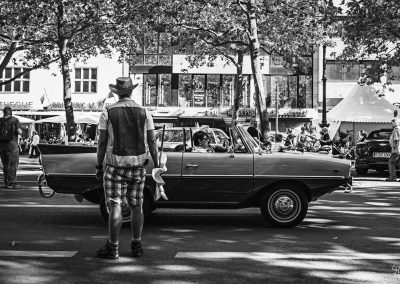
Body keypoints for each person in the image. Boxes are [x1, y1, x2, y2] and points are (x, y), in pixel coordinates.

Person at [96, 77, 159, 260]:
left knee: (115, 206)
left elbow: (101, 142)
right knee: (137, 206)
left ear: (117, 92)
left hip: (115, 167)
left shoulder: (107, 112)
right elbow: (152, 141)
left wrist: (99, 165)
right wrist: (157, 164)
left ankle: (113, 247)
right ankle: (137, 245)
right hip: (139, 167)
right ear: (131, 91)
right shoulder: (144, 112)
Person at [0, 106, 22, 189]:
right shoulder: (15, 120)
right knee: (13, 165)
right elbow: (19, 132)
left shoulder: (0, 120)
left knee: (5, 165)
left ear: (4, 112)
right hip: (12, 146)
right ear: (11, 112)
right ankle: (12, 183)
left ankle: (6, 183)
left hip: (2, 147)